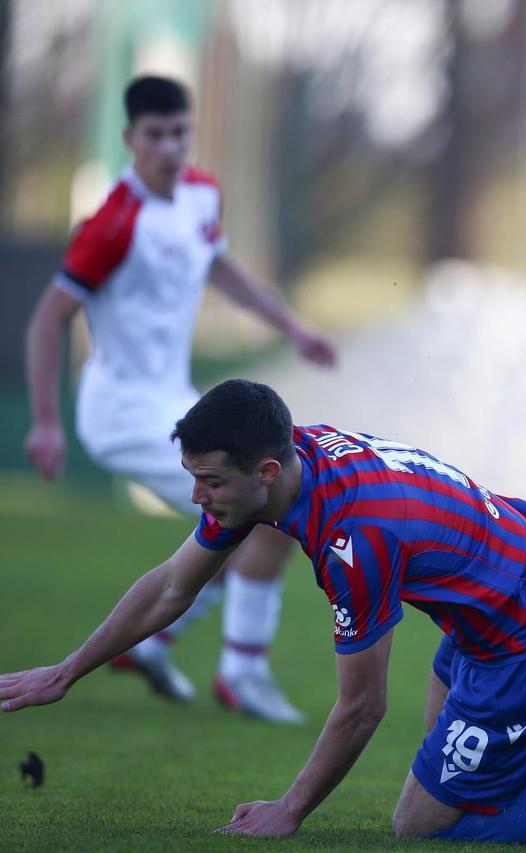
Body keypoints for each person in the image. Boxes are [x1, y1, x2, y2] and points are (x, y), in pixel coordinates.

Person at [0, 379, 526, 849]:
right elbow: (173, 585)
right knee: (462, 734)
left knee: (429, 820)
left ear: (264, 472)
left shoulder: (350, 539)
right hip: (522, 586)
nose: (200, 499)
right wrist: (68, 670)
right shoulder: (295, 455)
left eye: (208, 482)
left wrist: (289, 810)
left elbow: (360, 708)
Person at [23, 76, 338, 722]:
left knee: (249, 509)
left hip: (178, 399)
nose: (170, 146)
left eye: (180, 132)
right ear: (129, 139)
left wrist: (292, 326)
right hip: (121, 409)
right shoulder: (114, 220)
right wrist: (47, 421)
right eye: (155, 134)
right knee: (261, 509)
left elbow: (222, 269)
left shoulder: (200, 195)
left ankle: (153, 642)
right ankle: (242, 669)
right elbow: (45, 319)